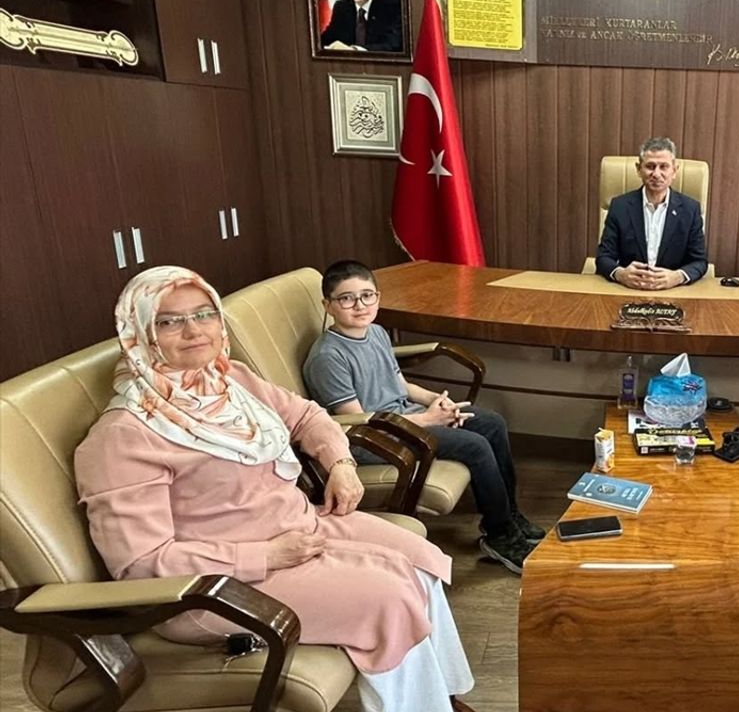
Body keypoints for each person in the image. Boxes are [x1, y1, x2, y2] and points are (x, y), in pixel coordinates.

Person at [74, 266, 477, 712]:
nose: (194, 331)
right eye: (170, 321)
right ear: (140, 333)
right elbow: (143, 563)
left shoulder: (230, 381)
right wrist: (265, 556)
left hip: (299, 528)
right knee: (389, 597)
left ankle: (443, 695)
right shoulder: (123, 437)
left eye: (205, 314)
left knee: (421, 560)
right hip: (216, 587)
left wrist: (340, 463)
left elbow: (307, 416)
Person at [303, 260, 543, 575]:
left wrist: (437, 402)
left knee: (492, 423)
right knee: (474, 446)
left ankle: (508, 516)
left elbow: (400, 384)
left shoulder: (376, 332)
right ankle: (500, 536)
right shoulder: (328, 357)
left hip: (404, 418)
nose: (360, 305)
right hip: (373, 438)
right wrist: (430, 420)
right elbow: (360, 420)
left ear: (378, 297)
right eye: (347, 299)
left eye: (367, 295)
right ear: (328, 306)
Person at [596, 137, 709, 290]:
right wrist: (621, 274)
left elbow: (700, 261)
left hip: (673, 291)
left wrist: (677, 277)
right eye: (650, 166)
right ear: (638, 169)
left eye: (664, 167)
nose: (656, 174)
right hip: (628, 289)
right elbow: (603, 257)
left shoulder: (690, 209)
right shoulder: (620, 206)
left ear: (674, 171)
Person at [320, 0, 403, 53]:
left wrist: (354, 50)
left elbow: (392, 44)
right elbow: (327, 38)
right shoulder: (342, 7)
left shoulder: (393, 5)